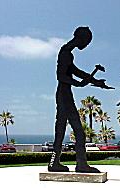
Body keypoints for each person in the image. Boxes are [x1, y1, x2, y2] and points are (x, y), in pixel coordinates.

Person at [48, 27, 105, 173]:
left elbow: (76, 71)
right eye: (86, 42)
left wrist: (95, 81)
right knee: (79, 132)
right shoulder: (65, 53)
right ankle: (81, 164)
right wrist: (78, 84)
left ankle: (54, 163)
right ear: (81, 38)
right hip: (64, 95)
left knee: (60, 130)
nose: (85, 45)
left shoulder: (67, 52)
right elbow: (61, 76)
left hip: (63, 94)